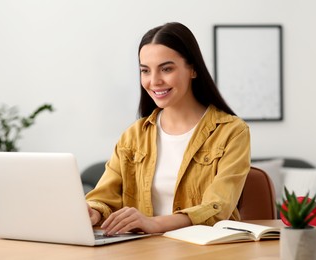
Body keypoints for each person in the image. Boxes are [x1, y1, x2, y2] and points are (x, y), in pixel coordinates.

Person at [86, 22, 250, 236]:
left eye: (166, 69)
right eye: (145, 71)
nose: (154, 81)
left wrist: (154, 224)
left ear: (192, 69)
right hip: (143, 251)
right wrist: (94, 212)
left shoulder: (231, 131)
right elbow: (104, 196)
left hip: (205, 251)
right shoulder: (133, 136)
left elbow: (218, 207)